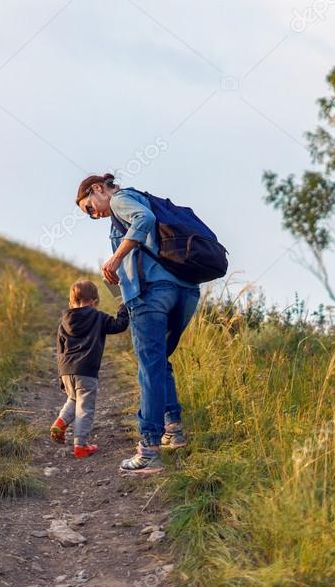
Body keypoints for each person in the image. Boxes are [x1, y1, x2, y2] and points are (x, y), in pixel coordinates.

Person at [75, 173, 201, 474]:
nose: (94, 215)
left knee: (150, 366)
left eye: (89, 208)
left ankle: (148, 450)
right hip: (184, 290)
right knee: (159, 361)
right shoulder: (140, 200)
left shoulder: (120, 199)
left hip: (153, 295)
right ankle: (173, 430)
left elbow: (142, 220)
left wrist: (115, 258)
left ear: (97, 189)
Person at [51, 279, 130, 458]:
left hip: (66, 370)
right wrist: (122, 307)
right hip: (86, 371)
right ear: (94, 302)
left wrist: (61, 377)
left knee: (73, 398)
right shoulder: (98, 316)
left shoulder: (63, 321)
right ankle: (80, 445)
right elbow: (120, 325)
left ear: (71, 302)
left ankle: (61, 422)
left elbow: (60, 348)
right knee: (85, 407)